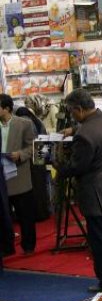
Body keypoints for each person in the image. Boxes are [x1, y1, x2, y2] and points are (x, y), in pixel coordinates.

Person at [54, 90, 102, 292]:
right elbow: (94, 128)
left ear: (78, 109)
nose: (72, 115)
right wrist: (73, 130)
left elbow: (76, 167)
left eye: (72, 111)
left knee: (101, 242)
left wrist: (55, 164)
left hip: (95, 195)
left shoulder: (85, 135)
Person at [0, 94, 36, 256]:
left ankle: (28, 246)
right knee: (4, 216)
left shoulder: (24, 124)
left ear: (7, 108)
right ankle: (7, 247)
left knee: (25, 215)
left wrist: (20, 154)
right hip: (2, 179)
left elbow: (33, 147)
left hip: (19, 176)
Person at [14, 107, 50, 222]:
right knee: (41, 183)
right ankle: (43, 211)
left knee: (33, 185)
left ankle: (36, 214)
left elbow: (27, 141)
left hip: (33, 153)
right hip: (41, 151)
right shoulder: (38, 121)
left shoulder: (25, 122)